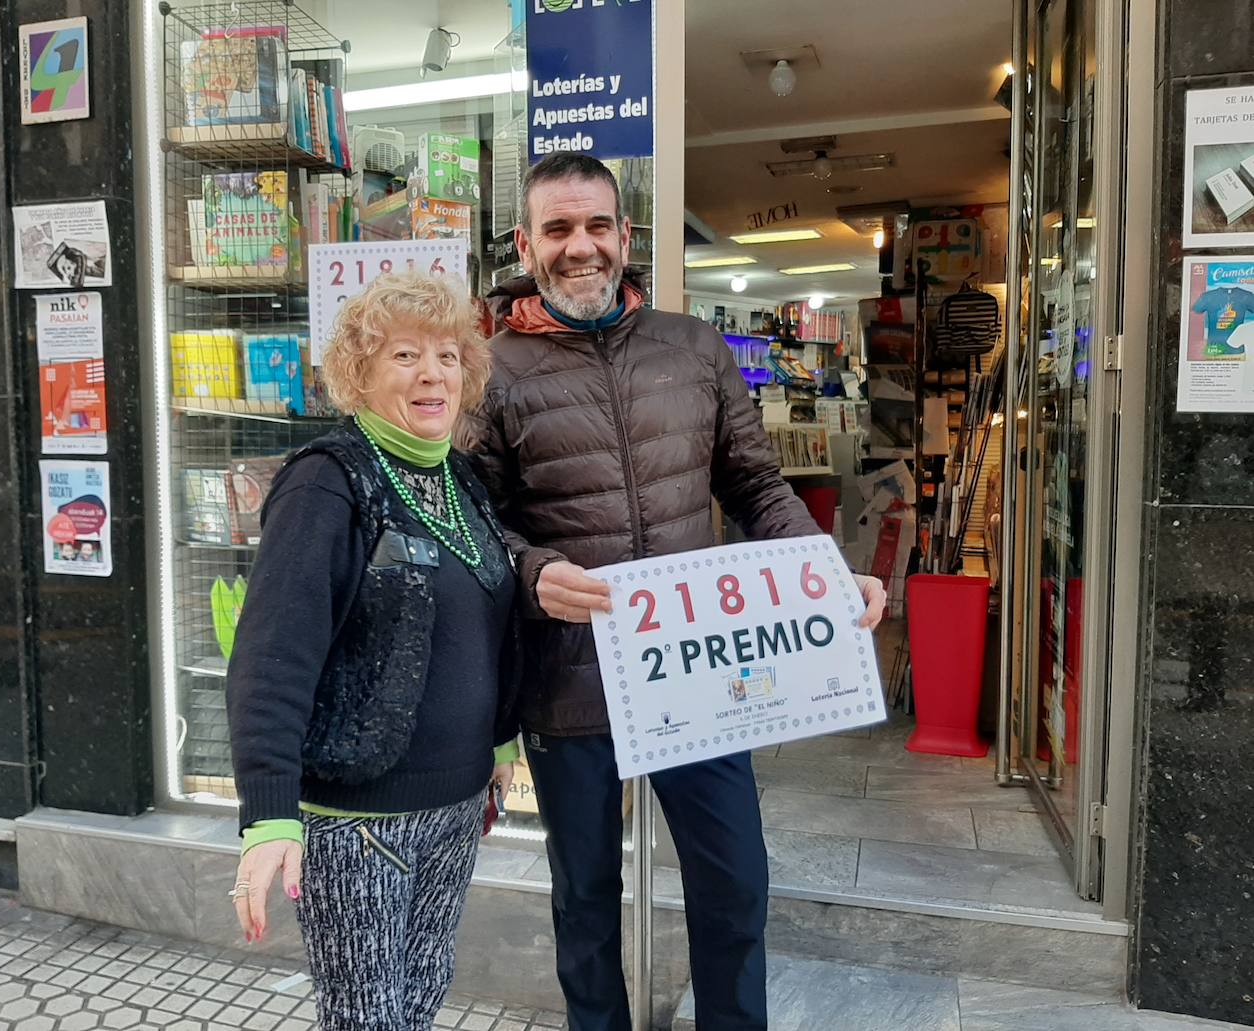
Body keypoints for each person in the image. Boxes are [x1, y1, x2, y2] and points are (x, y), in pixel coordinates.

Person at [469, 153, 887, 1031]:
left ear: (626, 236)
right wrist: (534, 571)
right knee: (584, 899)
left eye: (595, 227)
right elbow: (471, 520)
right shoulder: (491, 371)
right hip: (569, 677)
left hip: (699, 677)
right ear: (526, 243)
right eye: (556, 229)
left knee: (735, 884)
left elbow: (759, 488)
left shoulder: (693, 349)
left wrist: (822, 576)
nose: (578, 247)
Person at [225, 271, 521, 1031]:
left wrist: (501, 738)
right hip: (357, 822)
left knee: (419, 1001)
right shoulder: (327, 483)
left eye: (449, 356)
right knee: (367, 1020)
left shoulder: (462, 482)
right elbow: (272, 651)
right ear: (359, 373)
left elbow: (493, 625)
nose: (433, 374)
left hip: (456, 806)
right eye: (405, 356)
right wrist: (267, 815)